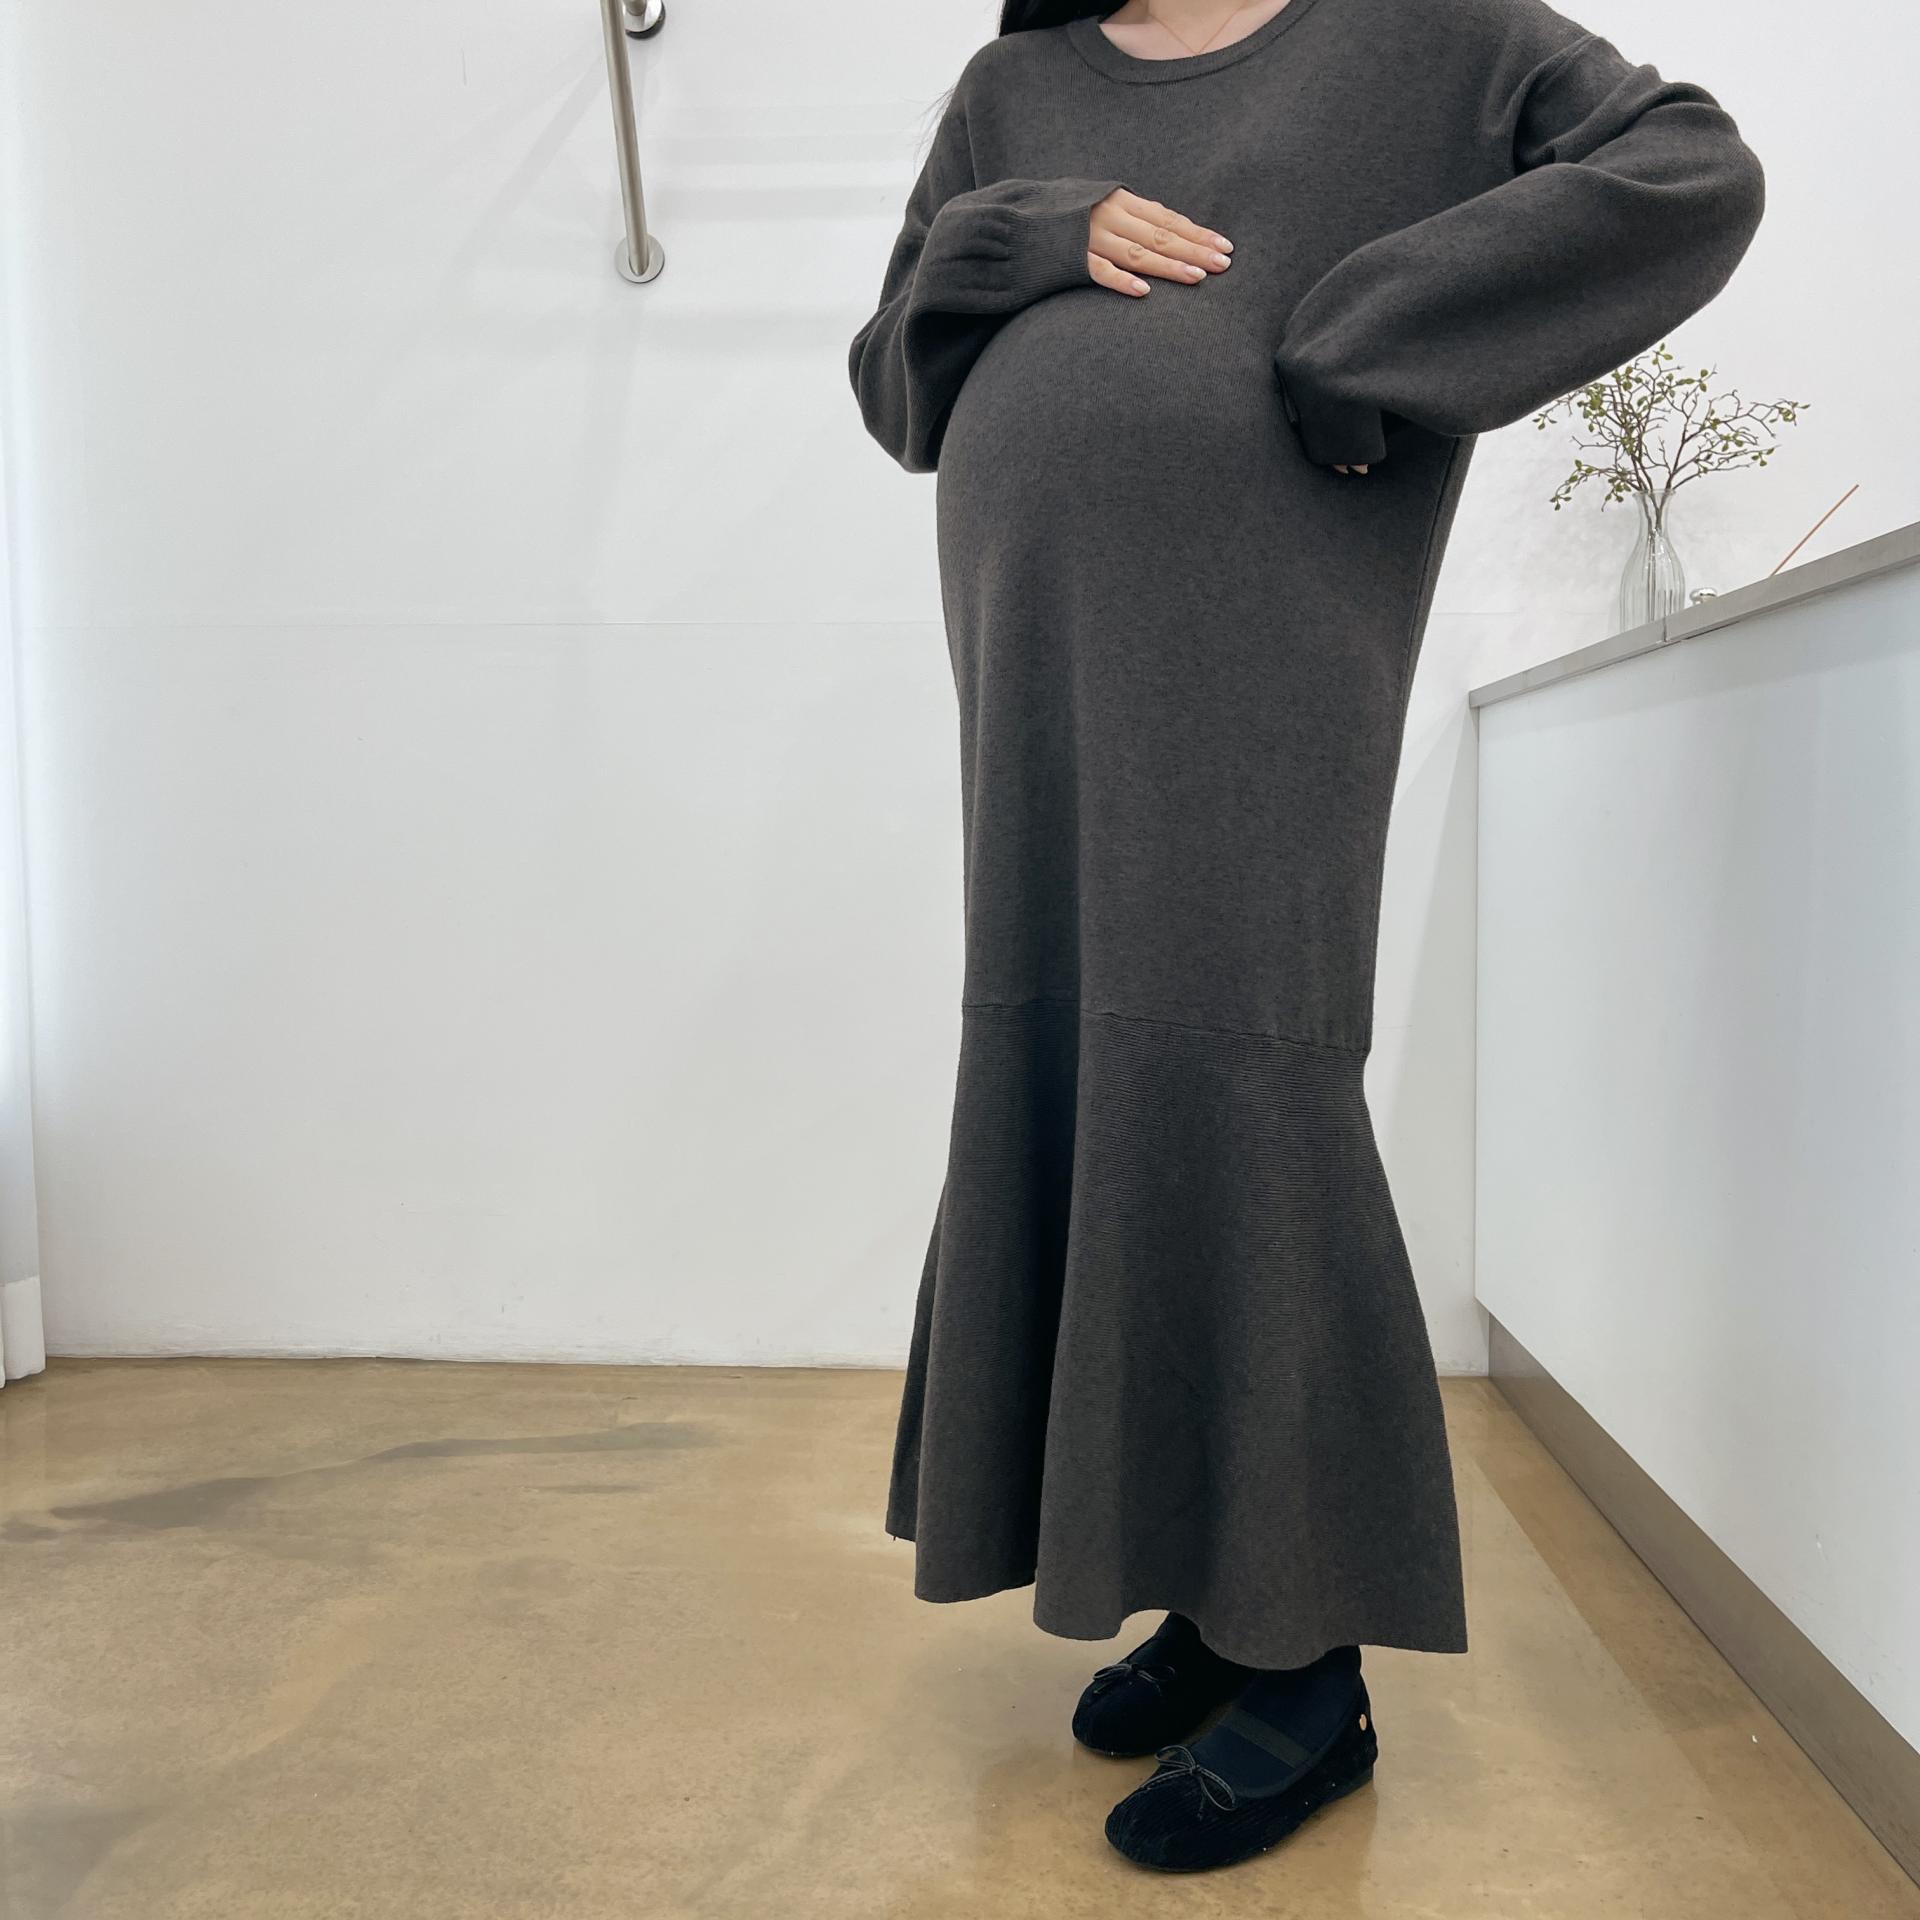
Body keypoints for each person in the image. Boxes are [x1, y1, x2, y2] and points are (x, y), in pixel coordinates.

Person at [847, 0, 1763, 1874]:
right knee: (1089, 1051)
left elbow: (1688, 169)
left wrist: (1369, 335)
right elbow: (893, 387)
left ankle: (1309, 1666)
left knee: (1239, 1065)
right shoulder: (1013, 87)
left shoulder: (1429, 33)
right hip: (1030, 641)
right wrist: (1020, 238)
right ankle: (1214, 1591)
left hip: (1265, 634)